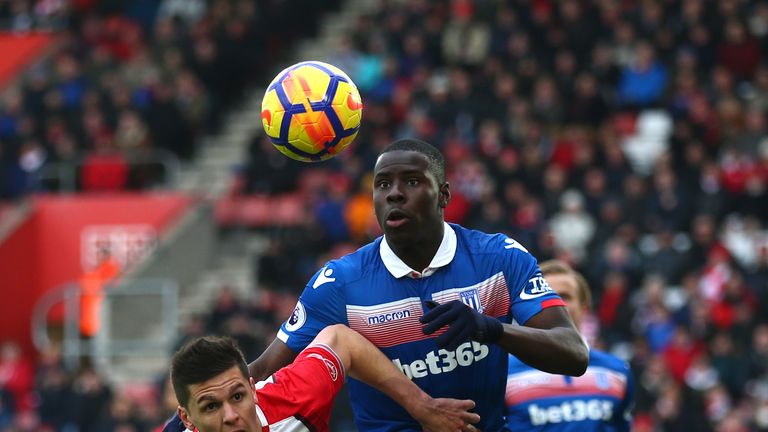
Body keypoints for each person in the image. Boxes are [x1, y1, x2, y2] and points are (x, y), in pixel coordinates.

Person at [249, 138, 589, 431]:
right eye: (382, 185)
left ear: (444, 195)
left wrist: (492, 330)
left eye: (412, 182)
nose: (394, 194)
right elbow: (263, 371)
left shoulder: (499, 258)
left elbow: (573, 353)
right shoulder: (339, 283)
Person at [164, 324, 480, 432]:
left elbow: (341, 340)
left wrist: (422, 406)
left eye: (237, 396)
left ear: (253, 389)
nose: (231, 416)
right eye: (210, 407)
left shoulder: (293, 400)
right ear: (187, 419)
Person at [505, 260, 634, 431]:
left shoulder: (617, 371)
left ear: (585, 308)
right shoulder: (504, 372)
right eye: (548, 295)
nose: (556, 304)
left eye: (565, 296)